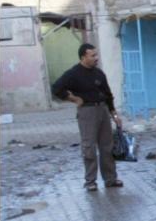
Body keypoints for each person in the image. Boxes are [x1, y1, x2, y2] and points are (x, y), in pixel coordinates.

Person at [51, 43, 122, 191]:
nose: (96, 58)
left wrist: (114, 113)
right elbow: (56, 88)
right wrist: (74, 99)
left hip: (102, 110)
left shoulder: (99, 73)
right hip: (87, 112)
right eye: (93, 55)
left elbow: (108, 95)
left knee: (107, 146)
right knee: (89, 147)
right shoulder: (73, 74)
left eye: (96, 55)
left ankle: (110, 179)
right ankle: (90, 181)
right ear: (83, 57)